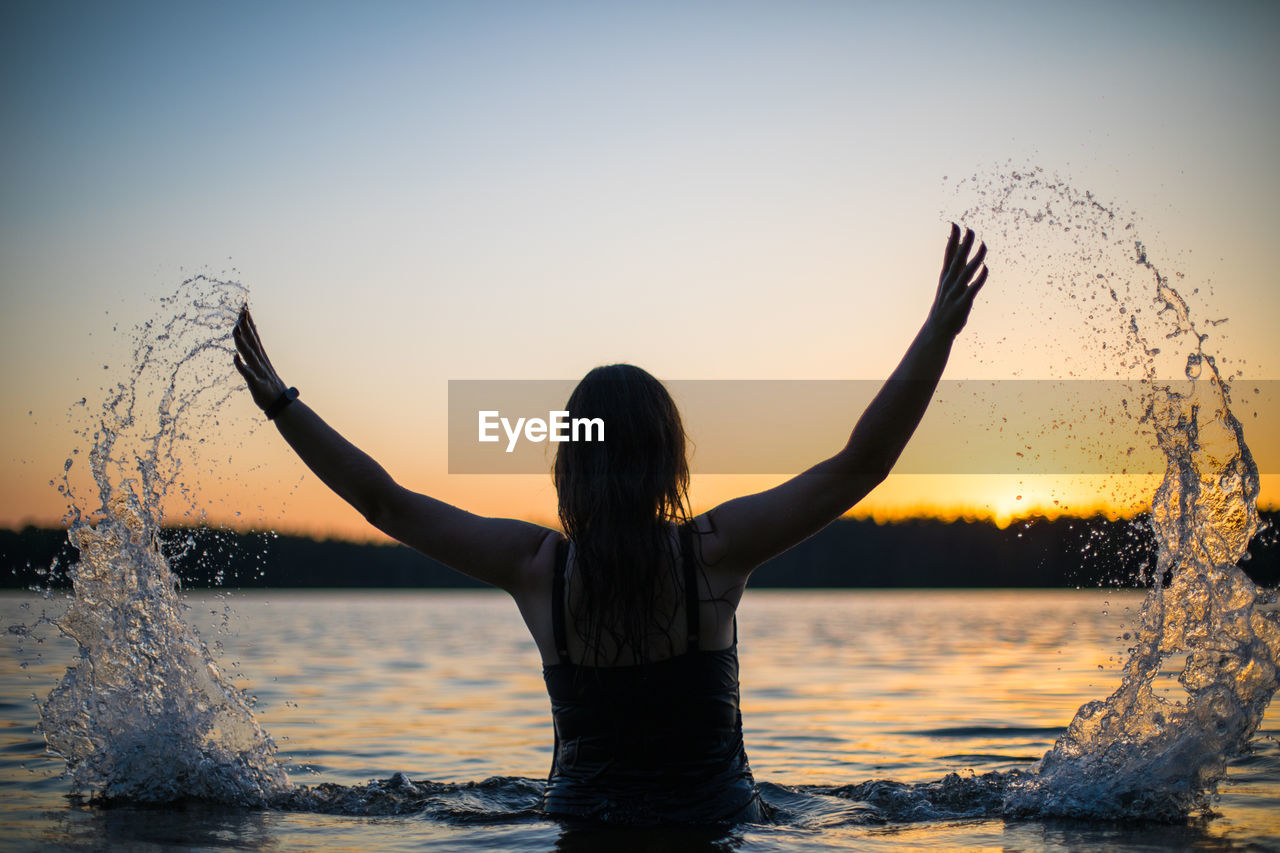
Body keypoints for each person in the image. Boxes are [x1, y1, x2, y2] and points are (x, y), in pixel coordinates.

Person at [232, 224, 987, 825]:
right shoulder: (714, 555)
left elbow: (386, 502)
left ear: (571, 463)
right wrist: (937, 335)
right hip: (714, 825)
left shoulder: (538, 567)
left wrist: (282, 405)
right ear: (667, 462)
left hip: (578, 825)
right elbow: (862, 464)